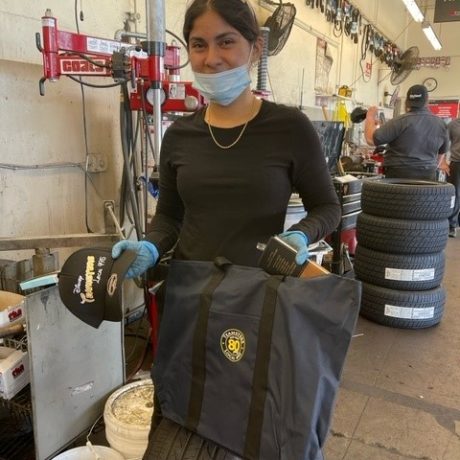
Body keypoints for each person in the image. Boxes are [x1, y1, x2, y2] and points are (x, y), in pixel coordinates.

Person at [112, 0, 341, 457]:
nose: (212, 57)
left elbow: (327, 207)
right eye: (199, 44)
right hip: (190, 298)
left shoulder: (289, 128)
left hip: (258, 300)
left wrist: (301, 236)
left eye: (226, 42)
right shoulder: (180, 136)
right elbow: (171, 217)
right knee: (183, 412)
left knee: (251, 421)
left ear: (255, 49)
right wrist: (150, 248)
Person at [364, 84, 449, 181]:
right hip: (428, 179)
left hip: (398, 177)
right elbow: (441, 154)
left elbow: (370, 139)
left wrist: (370, 116)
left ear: (407, 102)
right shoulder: (441, 124)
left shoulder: (399, 121)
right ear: (427, 101)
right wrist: (429, 167)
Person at [446, 117, 460, 237]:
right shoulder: (453, 125)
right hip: (457, 162)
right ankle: (451, 224)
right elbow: (444, 142)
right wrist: (443, 162)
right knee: (455, 194)